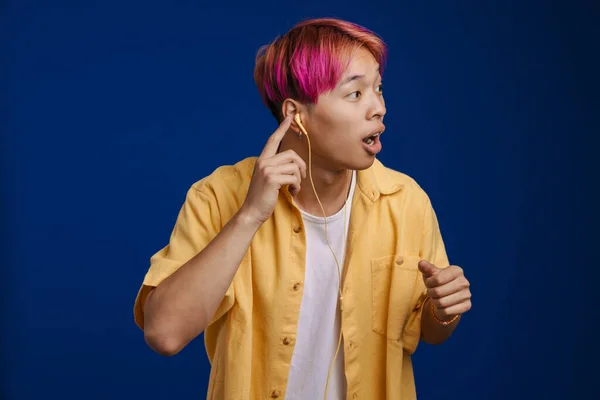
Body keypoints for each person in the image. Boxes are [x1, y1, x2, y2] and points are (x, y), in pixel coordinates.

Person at [133, 17, 472, 400]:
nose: (378, 107)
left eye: (378, 88)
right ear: (296, 116)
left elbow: (428, 331)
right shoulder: (217, 195)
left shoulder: (407, 200)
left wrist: (444, 310)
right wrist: (249, 217)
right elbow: (164, 334)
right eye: (355, 94)